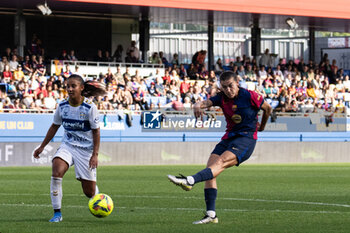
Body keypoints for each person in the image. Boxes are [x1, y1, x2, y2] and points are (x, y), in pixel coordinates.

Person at [167, 71, 272, 224]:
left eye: (230, 86)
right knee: (211, 169)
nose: (228, 90)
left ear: (237, 82)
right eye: (224, 87)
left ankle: (189, 180)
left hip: (246, 139)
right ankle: (211, 215)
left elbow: (267, 108)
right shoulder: (221, 97)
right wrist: (198, 104)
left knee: (220, 163)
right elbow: (207, 103)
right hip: (229, 137)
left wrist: (261, 127)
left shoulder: (250, 96)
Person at [33, 74, 107, 223]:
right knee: (56, 171)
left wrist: (95, 155)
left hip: (86, 151)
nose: (70, 89)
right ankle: (57, 213)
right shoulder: (62, 106)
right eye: (68, 86)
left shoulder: (90, 108)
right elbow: (54, 126)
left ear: (82, 88)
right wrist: (42, 147)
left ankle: (97, 195)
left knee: (89, 192)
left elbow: (96, 132)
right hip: (68, 146)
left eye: (73, 86)